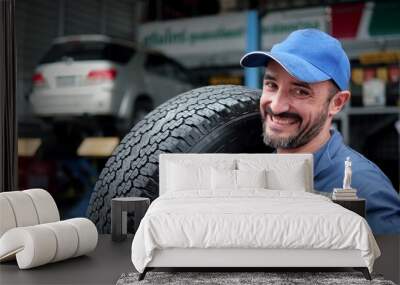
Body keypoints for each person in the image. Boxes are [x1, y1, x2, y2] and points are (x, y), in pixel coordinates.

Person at [240, 28, 400, 234]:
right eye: (271, 85)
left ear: (337, 103)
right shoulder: (251, 173)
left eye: (300, 91)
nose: (277, 106)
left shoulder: (365, 189)